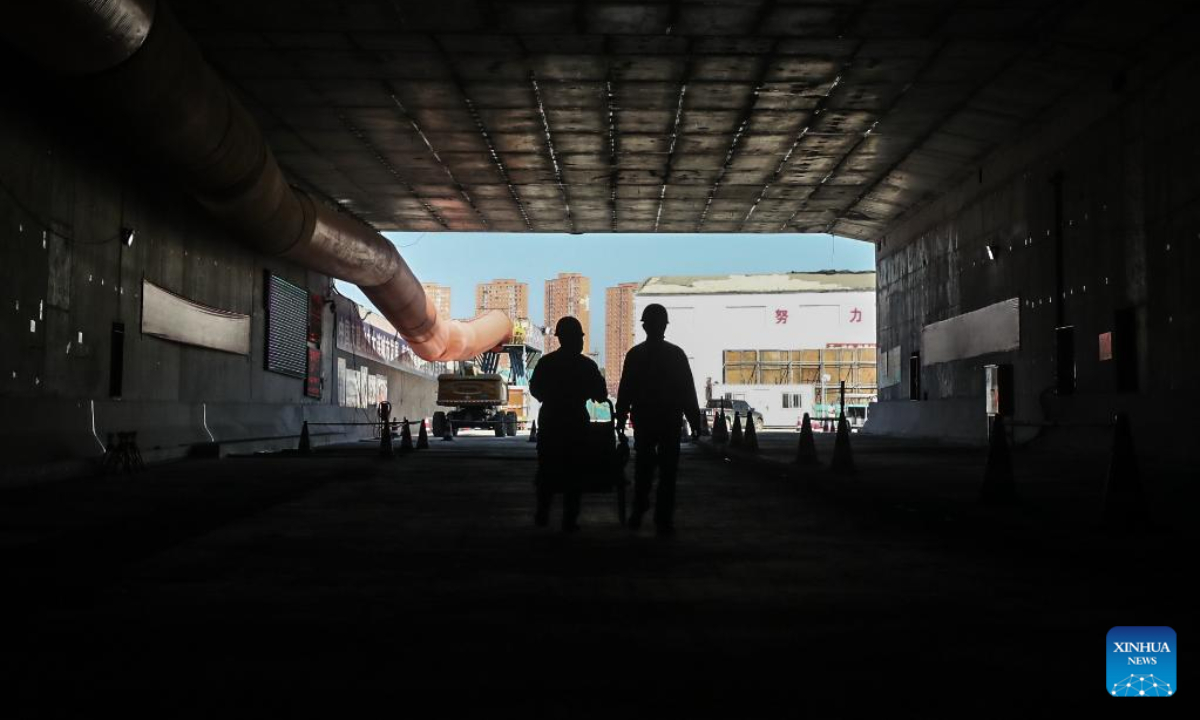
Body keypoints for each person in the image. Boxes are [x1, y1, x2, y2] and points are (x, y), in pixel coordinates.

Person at [615, 304, 702, 533]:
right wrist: (695, 421)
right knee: (668, 471)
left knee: (643, 467)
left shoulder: (635, 355)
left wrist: (621, 418)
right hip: (669, 421)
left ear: (644, 326)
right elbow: (687, 390)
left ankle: (638, 509)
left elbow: (626, 390)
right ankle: (663, 519)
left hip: (644, 421)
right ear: (664, 325)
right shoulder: (676, 355)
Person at [528, 316, 607, 531]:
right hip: (575, 423)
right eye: (580, 337)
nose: (581, 342)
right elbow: (601, 394)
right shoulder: (587, 366)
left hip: (551, 422)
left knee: (547, 469)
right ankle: (569, 519)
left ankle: (543, 512)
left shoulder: (546, 363)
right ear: (575, 339)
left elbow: (535, 389)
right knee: (574, 472)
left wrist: (551, 397)